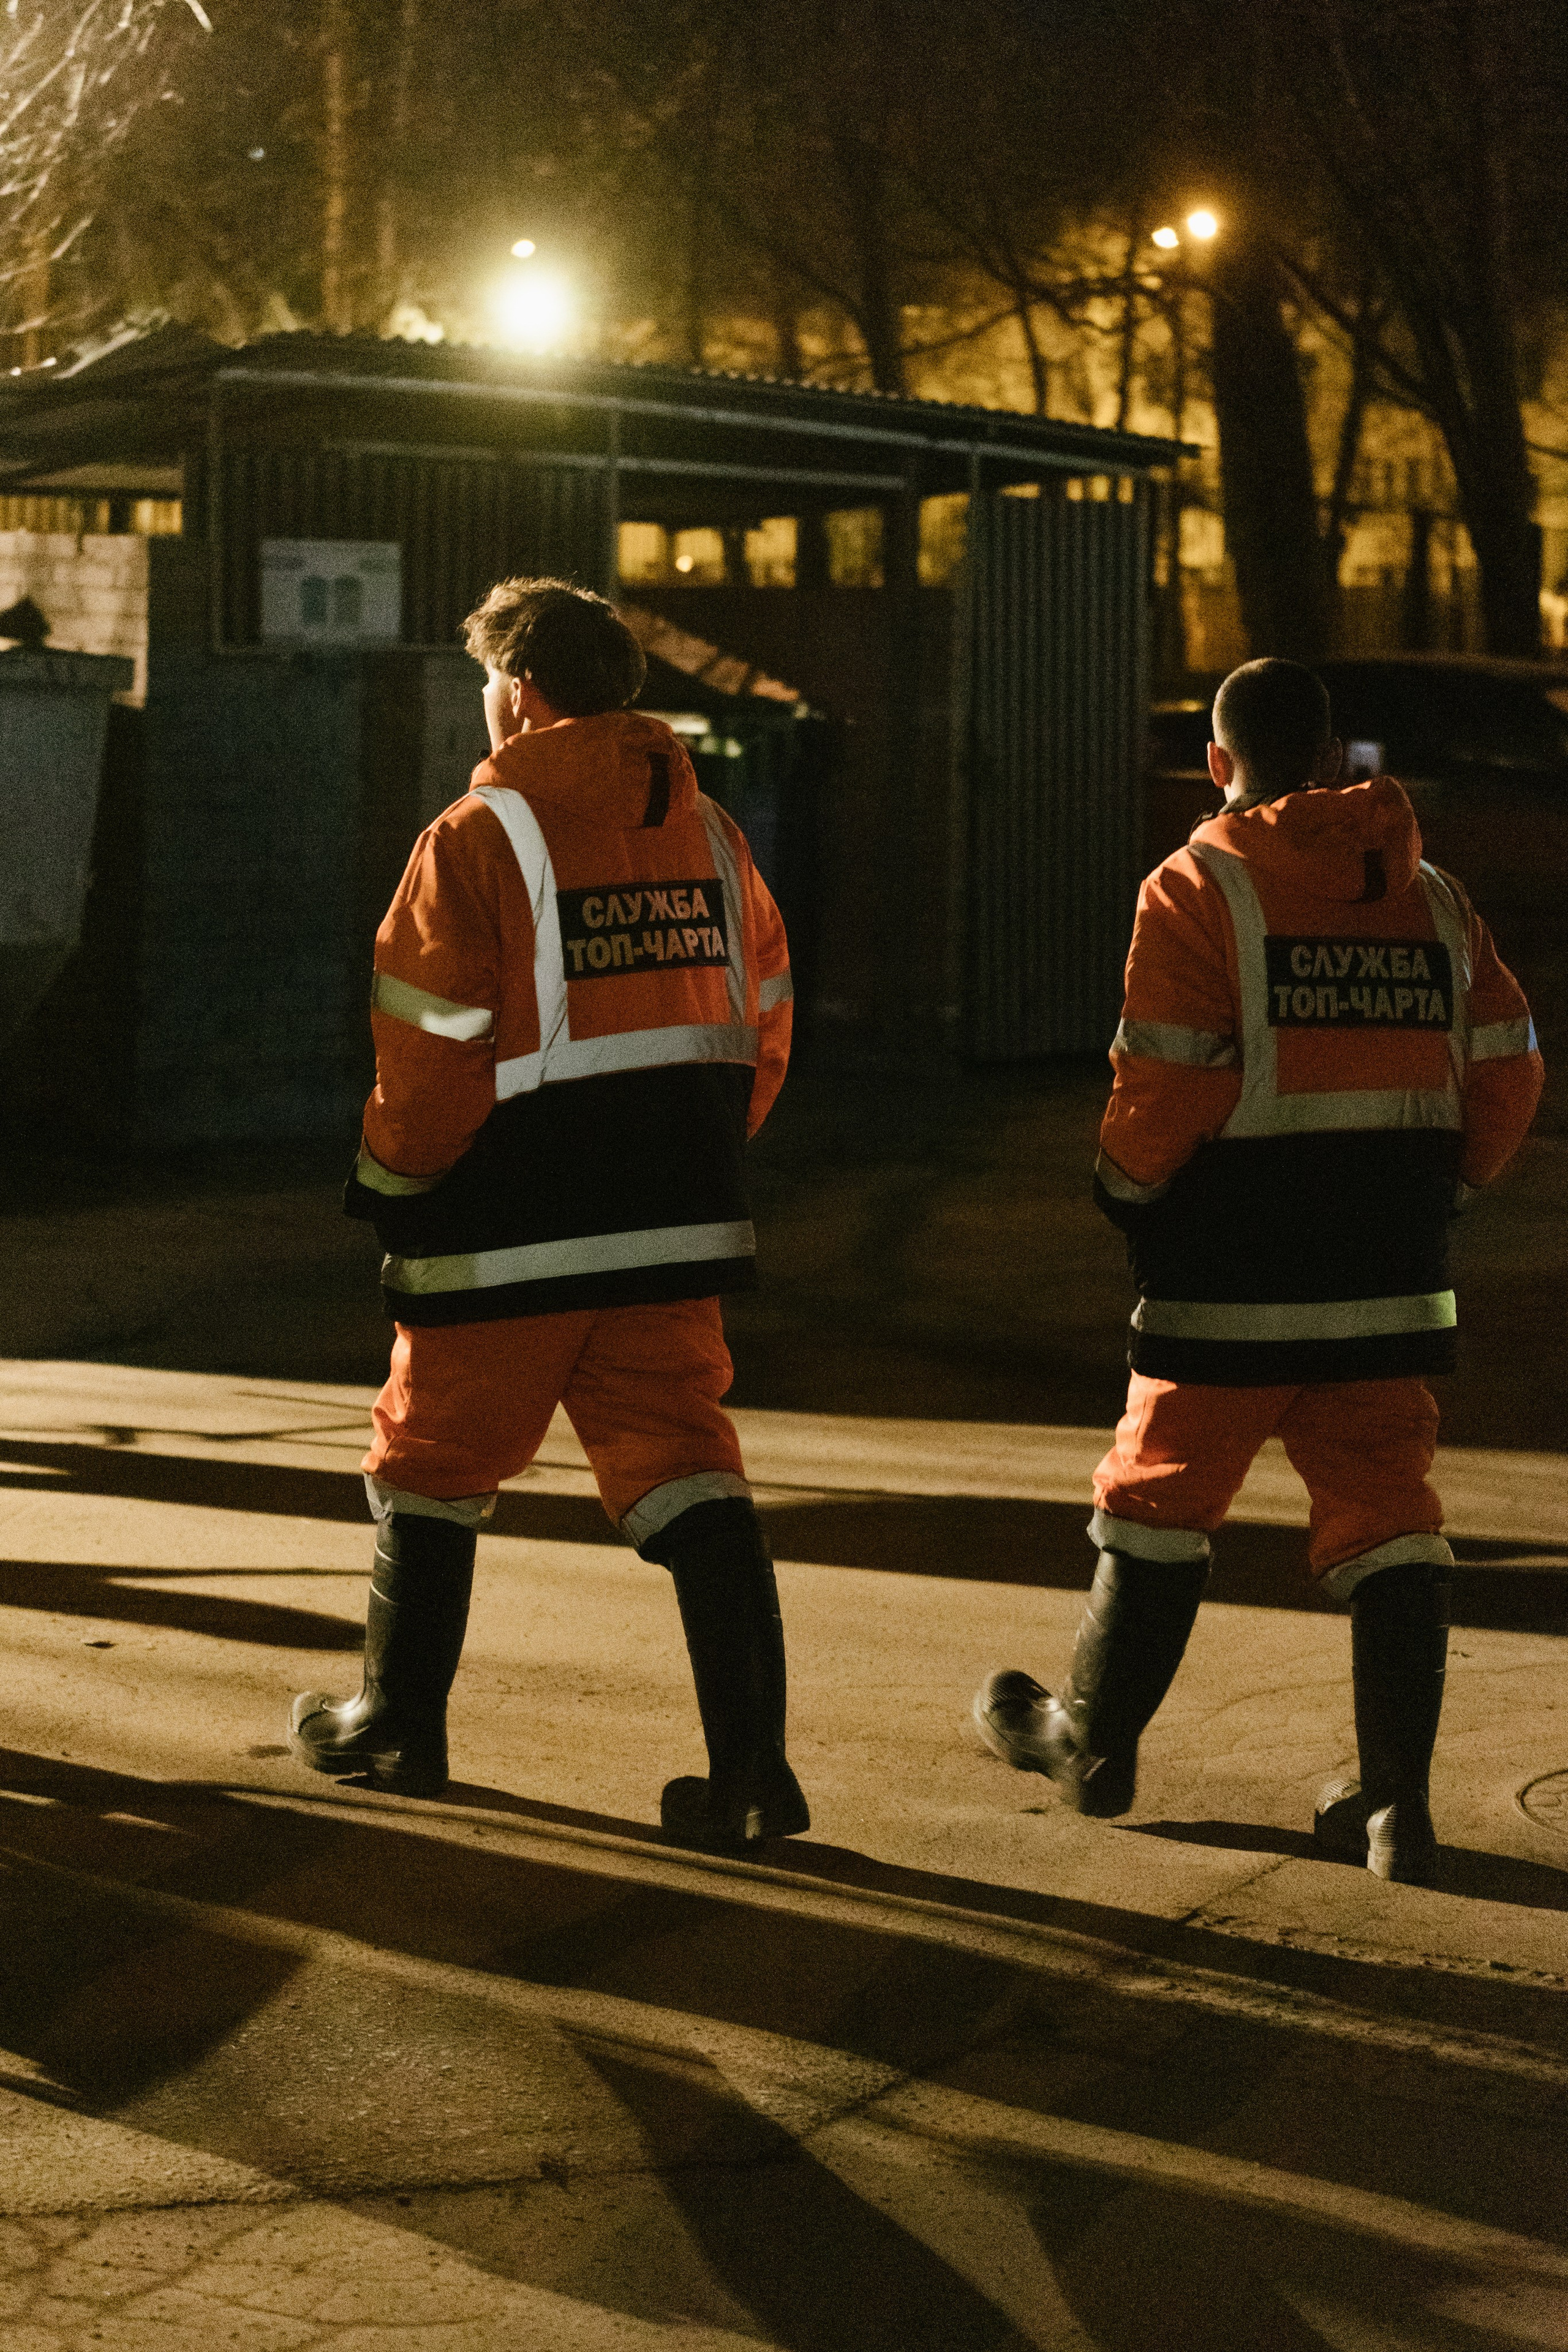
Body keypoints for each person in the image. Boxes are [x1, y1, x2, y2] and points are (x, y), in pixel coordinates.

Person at [974, 658, 1542, 1885]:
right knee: (1386, 1512)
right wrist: (1436, 1190)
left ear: (1216, 767)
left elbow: (1164, 1078)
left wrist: (1125, 1189)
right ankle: (1394, 1808)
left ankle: (1091, 1746)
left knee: (1159, 1497)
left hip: (1226, 1272)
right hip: (1386, 1275)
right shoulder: (1432, 899)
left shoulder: (1197, 885)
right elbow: (1507, 1070)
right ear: (1336, 762)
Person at [288, 576, 809, 1853]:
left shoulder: (476, 835)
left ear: (515, 690)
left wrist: (395, 1180)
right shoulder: (713, 837)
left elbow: (429, 1053)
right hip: (674, 1218)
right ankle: (751, 1772)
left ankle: (397, 1724)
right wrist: (677, 1159)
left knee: (432, 1463)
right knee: (686, 1463)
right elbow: (762, 1029)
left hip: (506, 1222)